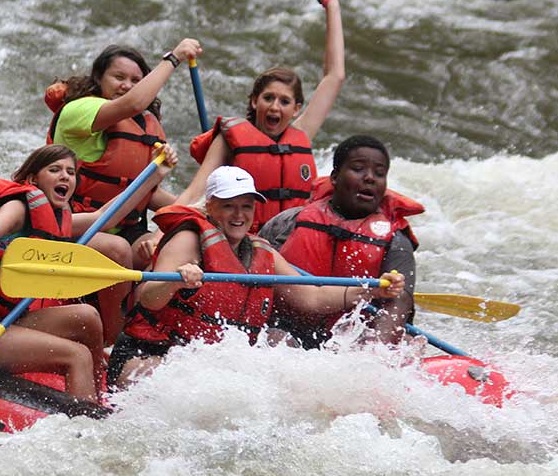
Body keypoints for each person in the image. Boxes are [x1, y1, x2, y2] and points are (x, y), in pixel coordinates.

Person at [108, 166, 404, 388]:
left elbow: (312, 296)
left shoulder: (263, 252)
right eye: (229, 205)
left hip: (208, 367)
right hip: (148, 356)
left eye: (246, 206)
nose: (239, 215)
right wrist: (175, 280)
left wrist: (371, 290)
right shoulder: (188, 239)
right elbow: (149, 297)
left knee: (281, 346)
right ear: (210, 206)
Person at [0, 144, 177, 401]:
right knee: (77, 355)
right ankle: (86, 419)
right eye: (55, 170)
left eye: (70, 172)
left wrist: (156, 174)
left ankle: (99, 395)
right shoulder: (19, 206)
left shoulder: (57, 217)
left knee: (88, 316)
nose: (65, 176)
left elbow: (106, 217)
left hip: (2, 318)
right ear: (33, 179)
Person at [44, 37, 201, 337]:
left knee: (176, 243)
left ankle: (158, 329)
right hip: (73, 225)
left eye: (135, 80)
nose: (127, 85)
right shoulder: (80, 110)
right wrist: (175, 57)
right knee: (116, 250)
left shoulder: (145, 125)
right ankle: (114, 340)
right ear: (98, 79)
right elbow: (134, 102)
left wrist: (183, 216)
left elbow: (144, 194)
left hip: (121, 225)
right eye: (119, 77)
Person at [175, 0, 344, 232]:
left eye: (284, 101)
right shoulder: (230, 140)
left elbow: (335, 76)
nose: (275, 107)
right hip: (242, 238)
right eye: (268, 98)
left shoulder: (301, 132)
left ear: (296, 108)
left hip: (288, 242)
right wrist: (160, 234)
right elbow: (194, 193)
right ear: (255, 101)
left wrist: (331, 5)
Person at [263, 135, 423, 347]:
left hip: (351, 342)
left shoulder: (396, 242)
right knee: (276, 338)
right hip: (286, 330)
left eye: (379, 173)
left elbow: (398, 304)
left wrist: (372, 357)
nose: (370, 178)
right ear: (335, 177)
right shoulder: (289, 222)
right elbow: (255, 274)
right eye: (358, 169)